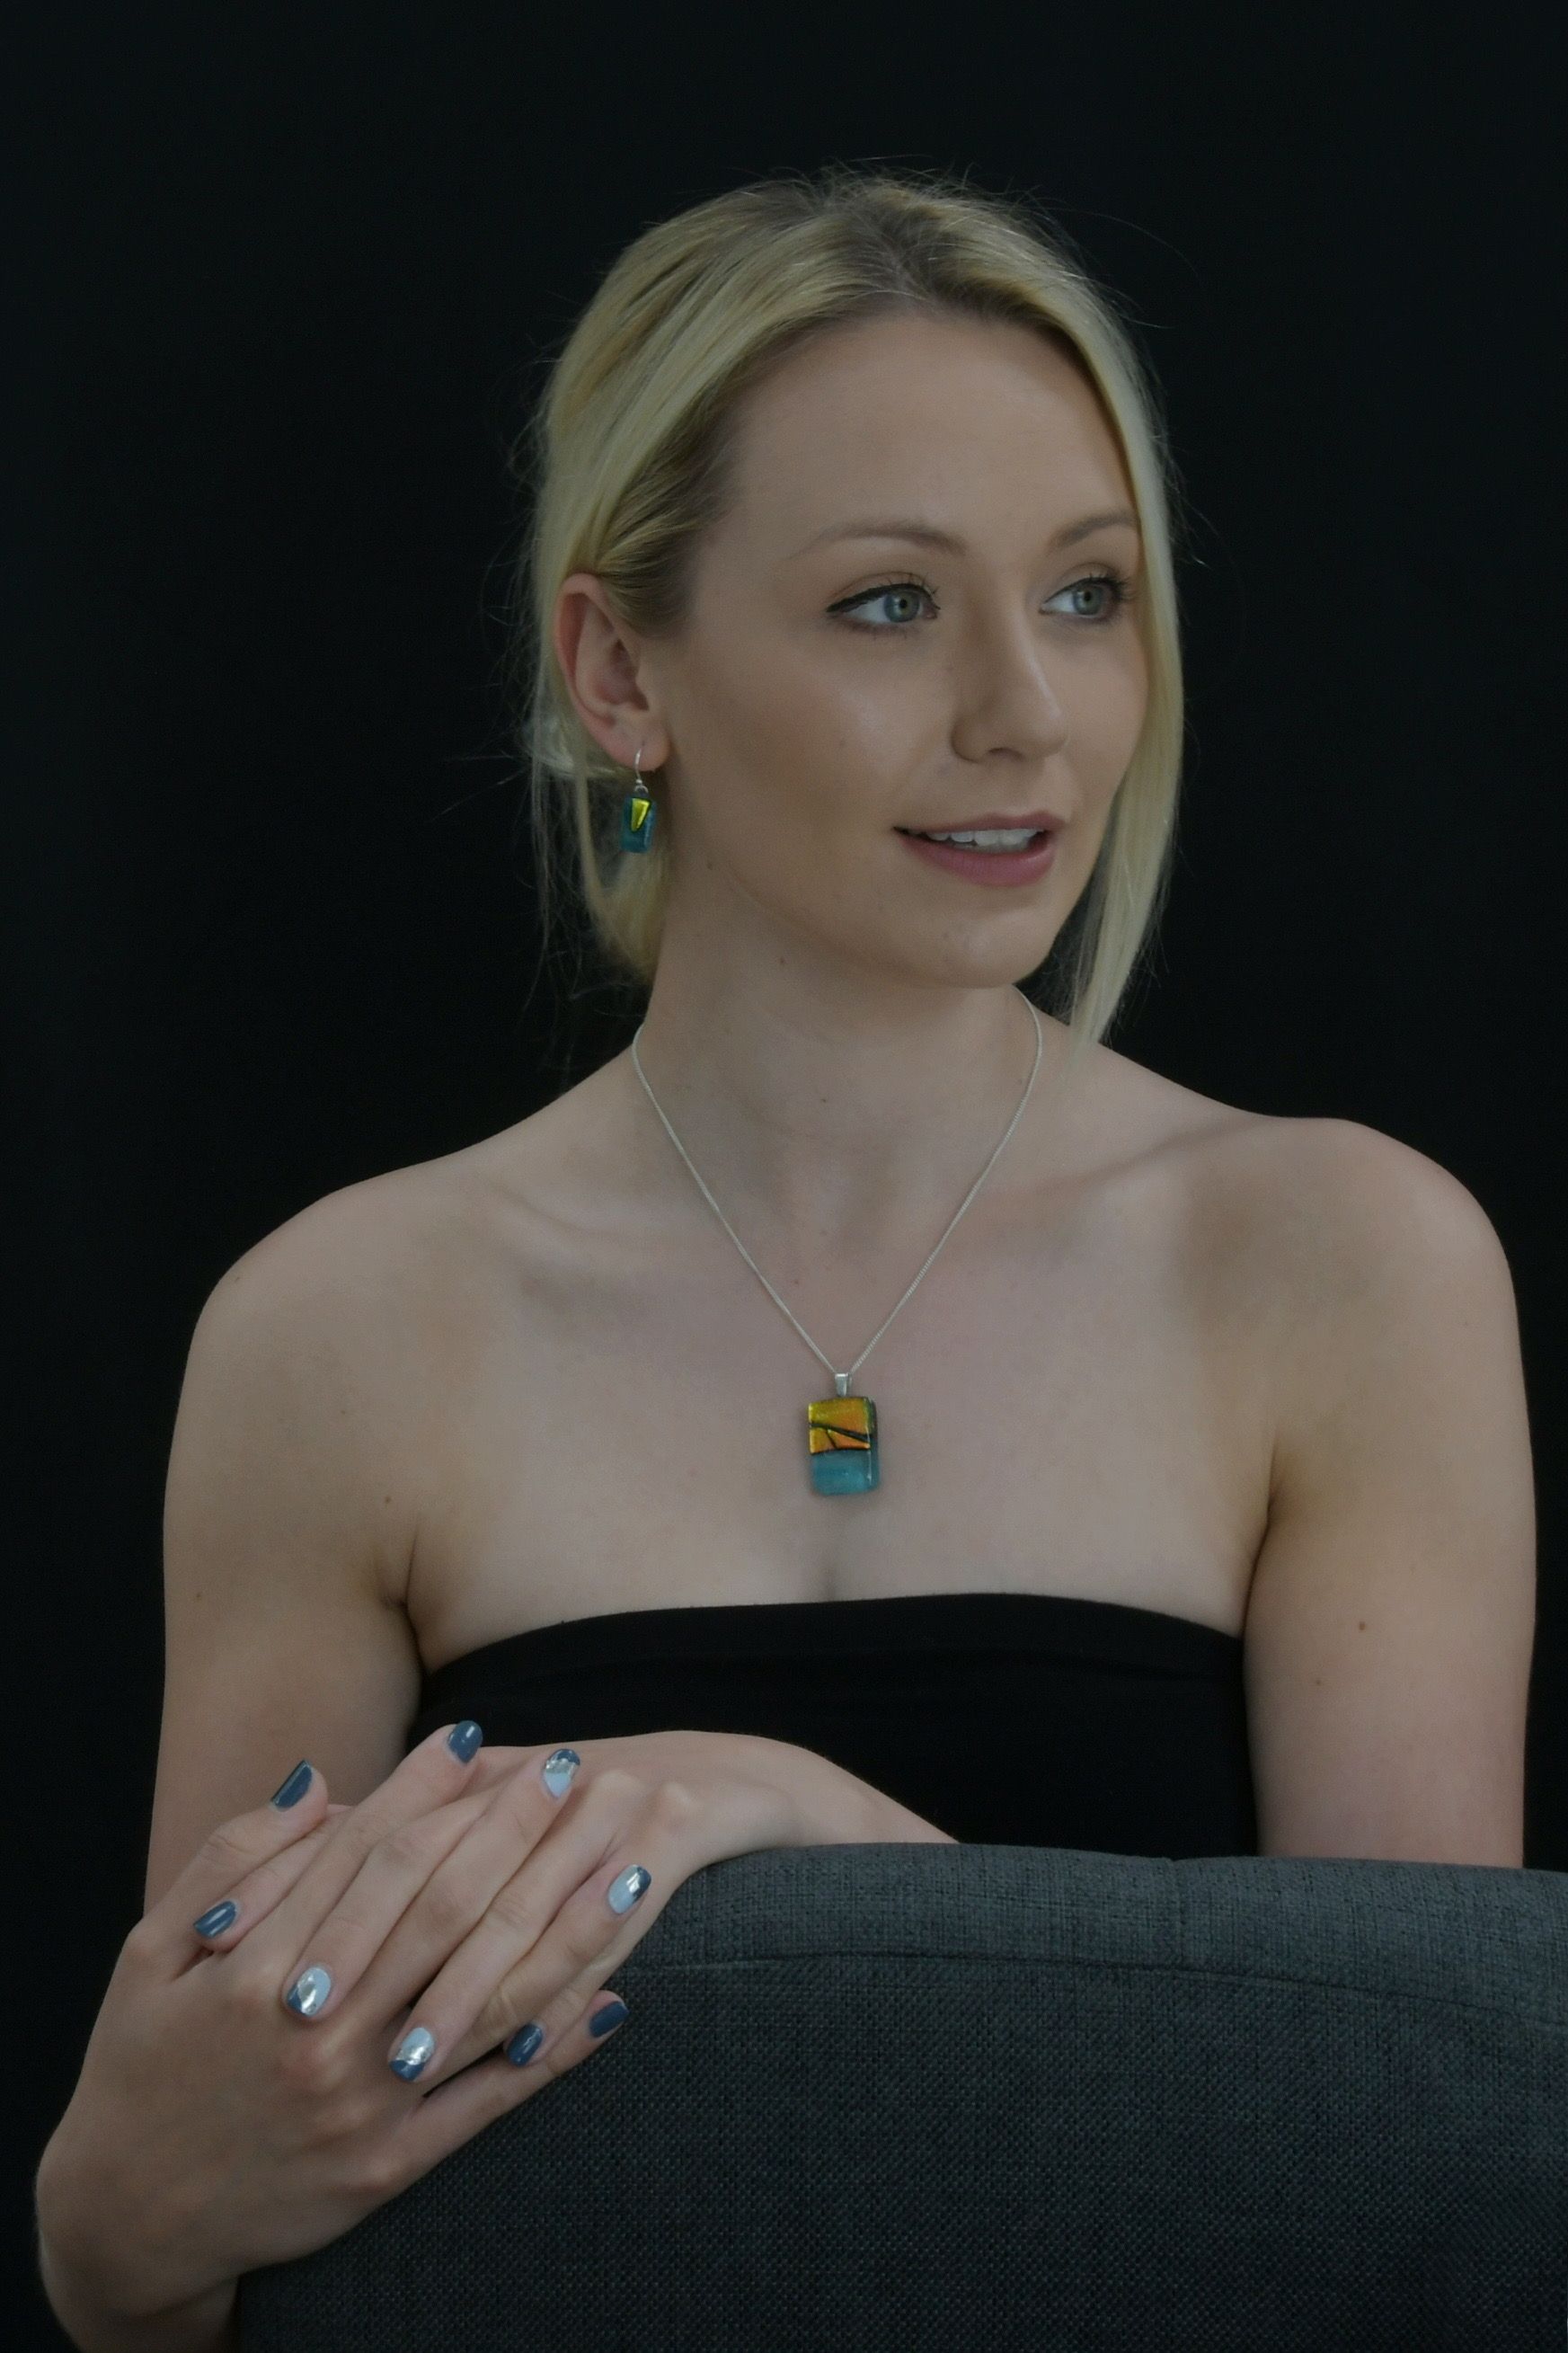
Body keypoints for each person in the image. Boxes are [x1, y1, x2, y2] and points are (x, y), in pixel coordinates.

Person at [35, 164, 1535, 2351]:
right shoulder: (341, 1326)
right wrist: (104, 2221)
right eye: (890, 604)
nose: (1027, 711)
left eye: (1089, 593)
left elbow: (1419, 2157)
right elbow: (188, 2226)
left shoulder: (1343, 1265)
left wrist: (804, 1832)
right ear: (618, 668)